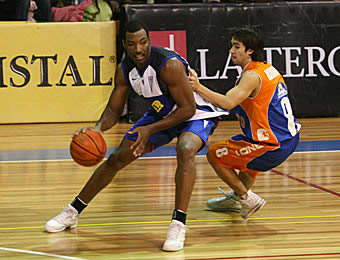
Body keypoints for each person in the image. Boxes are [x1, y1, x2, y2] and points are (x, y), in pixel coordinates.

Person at [44, 20, 228, 252]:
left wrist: (149, 129)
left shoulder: (167, 64)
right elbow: (113, 110)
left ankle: (178, 223)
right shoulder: (124, 70)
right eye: (132, 44)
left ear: (149, 42)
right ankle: (73, 211)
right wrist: (97, 129)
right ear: (124, 45)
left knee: (185, 149)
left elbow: (187, 109)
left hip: (195, 113)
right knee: (117, 158)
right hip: (163, 112)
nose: (138, 49)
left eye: (143, 42)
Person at [189, 27, 301, 219]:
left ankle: (246, 198)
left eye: (236, 46)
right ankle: (236, 199)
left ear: (249, 50)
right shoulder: (266, 68)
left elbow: (227, 103)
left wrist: (198, 87)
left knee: (215, 154)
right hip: (289, 137)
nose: (231, 51)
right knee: (249, 164)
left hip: (273, 144)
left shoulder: (251, 77)